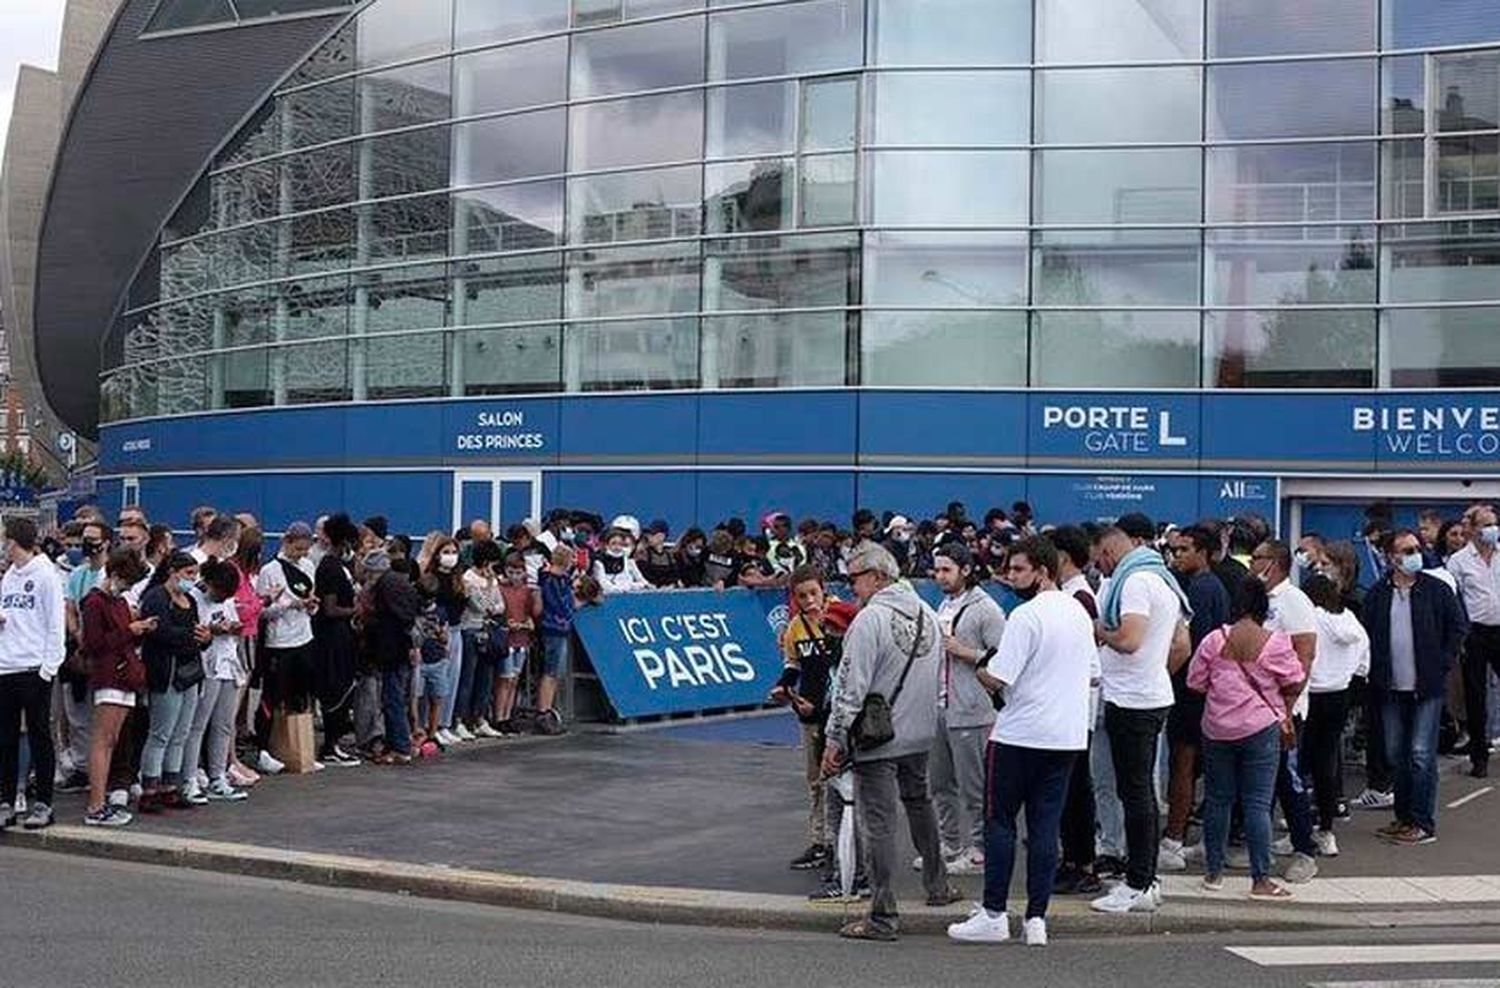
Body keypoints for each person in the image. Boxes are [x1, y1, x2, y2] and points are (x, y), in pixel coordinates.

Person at [948, 536, 1093, 947]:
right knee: (1046, 827)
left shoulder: (1027, 616)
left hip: (1019, 733)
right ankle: (1036, 919)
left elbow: (999, 676)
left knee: (1000, 823)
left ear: (1042, 572)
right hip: (1064, 735)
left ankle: (995, 912)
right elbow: (1093, 672)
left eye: (1018, 570)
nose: (1010, 578)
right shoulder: (1079, 613)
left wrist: (978, 662)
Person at [822, 544, 960, 942]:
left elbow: (850, 687)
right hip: (919, 731)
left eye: (855, 579)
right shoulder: (928, 615)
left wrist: (835, 738)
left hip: (878, 736)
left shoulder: (870, 621)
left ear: (878, 577)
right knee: (920, 805)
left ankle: (882, 914)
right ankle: (938, 885)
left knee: (878, 822)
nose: (851, 589)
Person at [1090, 515, 1191, 915]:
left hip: (1133, 701)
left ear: (1111, 550)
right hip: (1147, 695)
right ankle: (1144, 878)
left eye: (1100, 559)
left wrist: (1100, 630)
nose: (1100, 567)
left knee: (1135, 794)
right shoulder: (1160, 577)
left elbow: (1129, 640)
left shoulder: (1133, 583)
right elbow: (1182, 642)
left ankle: (1139, 882)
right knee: (1138, 793)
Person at [1189, 576, 1305, 900]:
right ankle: (1260, 880)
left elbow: (1195, 682)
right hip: (1259, 727)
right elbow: (1295, 679)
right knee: (1256, 804)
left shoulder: (1214, 640)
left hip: (1216, 728)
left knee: (1218, 800)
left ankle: (1213, 873)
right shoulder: (1275, 642)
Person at [1363, 529, 1468, 845]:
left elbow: (1458, 626)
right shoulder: (1378, 594)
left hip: (1427, 685)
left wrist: (1442, 662)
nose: (1413, 555)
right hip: (1391, 686)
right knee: (1397, 753)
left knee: (1421, 754)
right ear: (1391, 557)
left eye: (1415, 549)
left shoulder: (1435, 590)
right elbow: (1367, 635)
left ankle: (1423, 822)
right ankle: (1403, 817)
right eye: (1406, 550)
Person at [928, 542, 1006, 875]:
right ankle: (949, 844)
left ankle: (979, 849)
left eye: (947, 570)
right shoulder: (943, 604)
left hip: (972, 710)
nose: (940, 576)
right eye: (937, 569)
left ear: (966, 570)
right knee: (940, 784)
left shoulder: (986, 609)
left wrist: (965, 652)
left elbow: (1003, 658)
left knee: (975, 786)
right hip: (939, 705)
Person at [772, 564, 854, 875]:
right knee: (816, 781)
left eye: (813, 593)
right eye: (801, 596)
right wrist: (785, 687)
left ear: (824, 590)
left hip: (841, 712)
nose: (809, 601)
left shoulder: (842, 616)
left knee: (843, 781)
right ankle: (821, 842)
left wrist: (828, 624)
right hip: (810, 711)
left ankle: (846, 842)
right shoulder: (795, 627)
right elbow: (793, 663)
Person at [1159, 525, 1232, 872]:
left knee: (1183, 764)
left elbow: (1193, 644)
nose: (1178, 556)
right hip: (1201, 689)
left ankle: (1174, 838)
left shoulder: (1202, 589)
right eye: (1176, 550)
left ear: (1203, 553)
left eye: (1185, 550)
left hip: (1192, 691)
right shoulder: (1209, 586)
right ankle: (1201, 839)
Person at [1249, 539, 1320, 884]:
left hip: (1282, 707)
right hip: (1253, 707)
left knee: (1287, 780)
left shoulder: (1293, 601)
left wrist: (1287, 707)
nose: (1251, 563)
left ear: (1273, 563)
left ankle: (1306, 849)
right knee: (1265, 780)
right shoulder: (1261, 601)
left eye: (1257, 558)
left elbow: (1305, 654)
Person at [1049, 525, 1106, 896]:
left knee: (1076, 790)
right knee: (1069, 789)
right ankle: (1072, 859)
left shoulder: (1079, 598)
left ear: (1063, 557)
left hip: (1076, 709)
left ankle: (1082, 862)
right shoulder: (1073, 594)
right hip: (1069, 708)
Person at [0, 516, 67, 830]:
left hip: (33, 667)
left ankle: (44, 803)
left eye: (6, 541)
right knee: (6, 738)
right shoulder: (9, 576)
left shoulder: (46, 575)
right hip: (6, 665)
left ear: (14, 542)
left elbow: (55, 624)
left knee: (39, 735)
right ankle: (6, 801)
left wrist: (48, 668)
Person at [80, 547, 152, 826]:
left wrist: (138, 631)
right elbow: (93, 644)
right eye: (126, 582)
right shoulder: (95, 602)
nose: (126, 588)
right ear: (114, 574)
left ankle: (101, 801)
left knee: (111, 741)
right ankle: (96, 805)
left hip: (124, 677)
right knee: (103, 741)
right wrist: (129, 632)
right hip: (109, 676)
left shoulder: (119, 603)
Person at [138, 552, 211, 813]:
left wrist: (204, 637)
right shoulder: (156, 598)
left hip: (189, 672)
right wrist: (193, 636)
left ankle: (170, 785)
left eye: (195, 573)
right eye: (189, 573)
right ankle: (149, 788)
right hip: (166, 672)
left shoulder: (189, 600)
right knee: (161, 732)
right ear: (173, 571)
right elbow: (160, 632)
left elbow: (195, 632)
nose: (193, 579)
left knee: (180, 733)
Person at [1303, 573, 1369, 853]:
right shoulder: (1351, 622)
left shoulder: (1310, 619)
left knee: (1299, 766)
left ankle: (1301, 829)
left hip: (1309, 696)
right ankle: (1326, 830)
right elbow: (1364, 662)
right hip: (1339, 695)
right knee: (1327, 764)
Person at [180, 559, 250, 804]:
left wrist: (232, 627)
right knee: (197, 725)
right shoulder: (193, 598)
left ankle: (218, 775)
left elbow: (231, 621)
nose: (222, 598)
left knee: (224, 724)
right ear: (209, 583)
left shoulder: (227, 599)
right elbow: (195, 631)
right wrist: (214, 630)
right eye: (220, 593)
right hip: (205, 666)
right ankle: (188, 778)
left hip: (227, 664)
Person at [253, 522, 320, 775]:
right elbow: (262, 611)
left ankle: (299, 747)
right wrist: (288, 606)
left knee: (301, 694)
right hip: (279, 642)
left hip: (304, 636)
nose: (302, 554)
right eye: (298, 549)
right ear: (287, 542)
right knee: (273, 695)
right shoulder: (270, 571)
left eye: (306, 549)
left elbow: (311, 600)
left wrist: (311, 605)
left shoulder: (308, 566)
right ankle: (263, 748)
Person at [1447, 503, 1500, 779]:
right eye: (1486, 524)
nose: (1491, 529)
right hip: (1475, 632)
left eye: (1494, 523)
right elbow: (1454, 599)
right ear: (1474, 528)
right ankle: (1479, 756)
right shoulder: (1459, 561)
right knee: (1476, 696)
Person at [58, 518, 111, 792]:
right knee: (76, 712)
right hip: (78, 648)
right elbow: (69, 607)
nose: (87, 545)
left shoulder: (110, 574)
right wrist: (77, 631)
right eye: (84, 539)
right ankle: (81, 767)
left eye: (92, 539)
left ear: (105, 543)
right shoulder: (78, 573)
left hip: (103, 652)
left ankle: (102, 769)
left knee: (100, 712)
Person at [364, 550, 424, 764]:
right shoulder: (398, 583)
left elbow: (397, 620)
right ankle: (398, 743)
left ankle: (400, 746)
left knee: (393, 699)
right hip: (399, 649)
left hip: (393, 649)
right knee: (397, 697)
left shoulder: (386, 586)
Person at [312, 515, 362, 766]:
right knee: (335, 690)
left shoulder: (339, 566)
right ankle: (330, 744)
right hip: (332, 637)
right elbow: (329, 609)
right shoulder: (330, 567)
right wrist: (355, 610)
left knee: (343, 688)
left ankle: (335, 742)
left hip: (343, 635)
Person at [225, 529, 265, 789]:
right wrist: (263, 602)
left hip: (249, 638)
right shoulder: (237, 574)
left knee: (236, 704)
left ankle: (231, 758)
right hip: (241, 640)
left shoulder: (244, 575)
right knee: (231, 704)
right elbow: (239, 609)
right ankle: (229, 760)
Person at [457, 539, 505, 738]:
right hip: (471, 630)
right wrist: (490, 590)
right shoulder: (468, 578)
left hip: (488, 631)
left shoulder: (493, 580)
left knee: (486, 678)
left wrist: (492, 585)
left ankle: (480, 718)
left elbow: (500, 605)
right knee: (468, 676)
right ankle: (460, 719)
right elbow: (479, 605)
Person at [423, 536, 466, 747]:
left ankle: (445, 723)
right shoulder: (432, 577)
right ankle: (433, 724)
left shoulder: (459, 579)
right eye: (446, 552)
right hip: (439, 630)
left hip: (457, 629)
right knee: (438, 679)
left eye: (453, 552)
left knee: (452, 678)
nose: (451, 556)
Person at [495, 552, 539, 731]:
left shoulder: (528, 591)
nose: (515, 576)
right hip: (507, 639)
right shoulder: (501, 588)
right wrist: (506, 623)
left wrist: (529, 622)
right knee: (504, 679)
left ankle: (508, 715)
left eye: (518, 572)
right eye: (511, 571)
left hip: (522, 639)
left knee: (514, 680)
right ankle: (499, 717)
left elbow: (532, 612)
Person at [536, 545, 576, 733]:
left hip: (559, 627)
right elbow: (559, 605)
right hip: (554, 628)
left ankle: (547, 710)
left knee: (554, 673)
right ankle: (543, 713)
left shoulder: (561, 580)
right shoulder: (552, 581)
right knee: (551, 672)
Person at [593, 526, 650, 594]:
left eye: (620, 544)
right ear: (606, 545)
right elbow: (604, 585)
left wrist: (632, 586)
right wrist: (621, 588)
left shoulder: (628, 562)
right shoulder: (599, 563)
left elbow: (643, 582)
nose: (617, 547)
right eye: (613, 543)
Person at [635, 520, 679, 588]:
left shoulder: (670, 555)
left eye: (652, 534)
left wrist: (669, 585)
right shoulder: (644, 553)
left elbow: (675, 575)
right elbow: (643, 574)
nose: (648, 537)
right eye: (648, 535)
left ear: (661, 537)